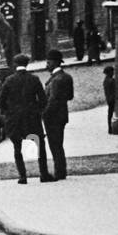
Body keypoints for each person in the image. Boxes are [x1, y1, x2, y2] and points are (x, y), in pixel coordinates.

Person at [0, 54, 51, 184]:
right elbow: (43, 100)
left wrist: (9, 112)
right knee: (40, 144)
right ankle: (43, 174)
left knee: (17, 147)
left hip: (15, 119)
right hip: (32, 118)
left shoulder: (9, 80)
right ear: (27, 64)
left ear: (15, 65)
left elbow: (1, 101)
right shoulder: (34, 79)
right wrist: (36, 110)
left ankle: (22, 177)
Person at [42, 48, 73, 180]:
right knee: (58, 144)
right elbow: (70, 96)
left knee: (55, 145)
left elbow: (52, 100)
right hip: (62, 115)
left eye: (48, 62)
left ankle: (59, 172)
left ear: (54, 63)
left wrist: (44, 114)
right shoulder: (66, 77)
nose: (47, 65)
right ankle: (61, 170)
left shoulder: (56, 80)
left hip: (53, 117)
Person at [102, 65, 116, 132]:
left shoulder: (105, 80)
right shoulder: (111, 80)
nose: (113, 73)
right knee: (112, 113)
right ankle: (111, 127)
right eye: (112, 71)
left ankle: (110, 127)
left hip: (109, 99)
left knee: (110, 113)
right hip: (112, 99)